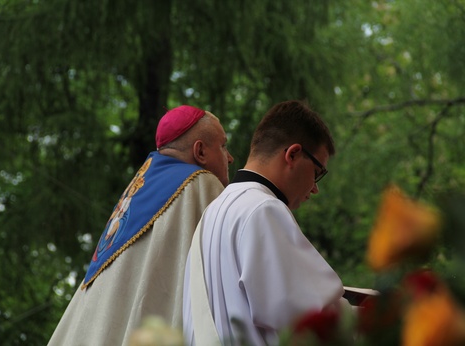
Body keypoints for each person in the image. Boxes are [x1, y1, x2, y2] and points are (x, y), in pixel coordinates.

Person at [48, 105, 234, 346]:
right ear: (200, 152)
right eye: (223, 145)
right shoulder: (200, 185)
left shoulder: (133, 195)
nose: (229, 157)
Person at [183, 100, 348, 346]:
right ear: (292, 154)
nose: (314, 189)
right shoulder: (263, 209)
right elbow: (311, 319)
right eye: (317, 172)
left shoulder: (213, 211)